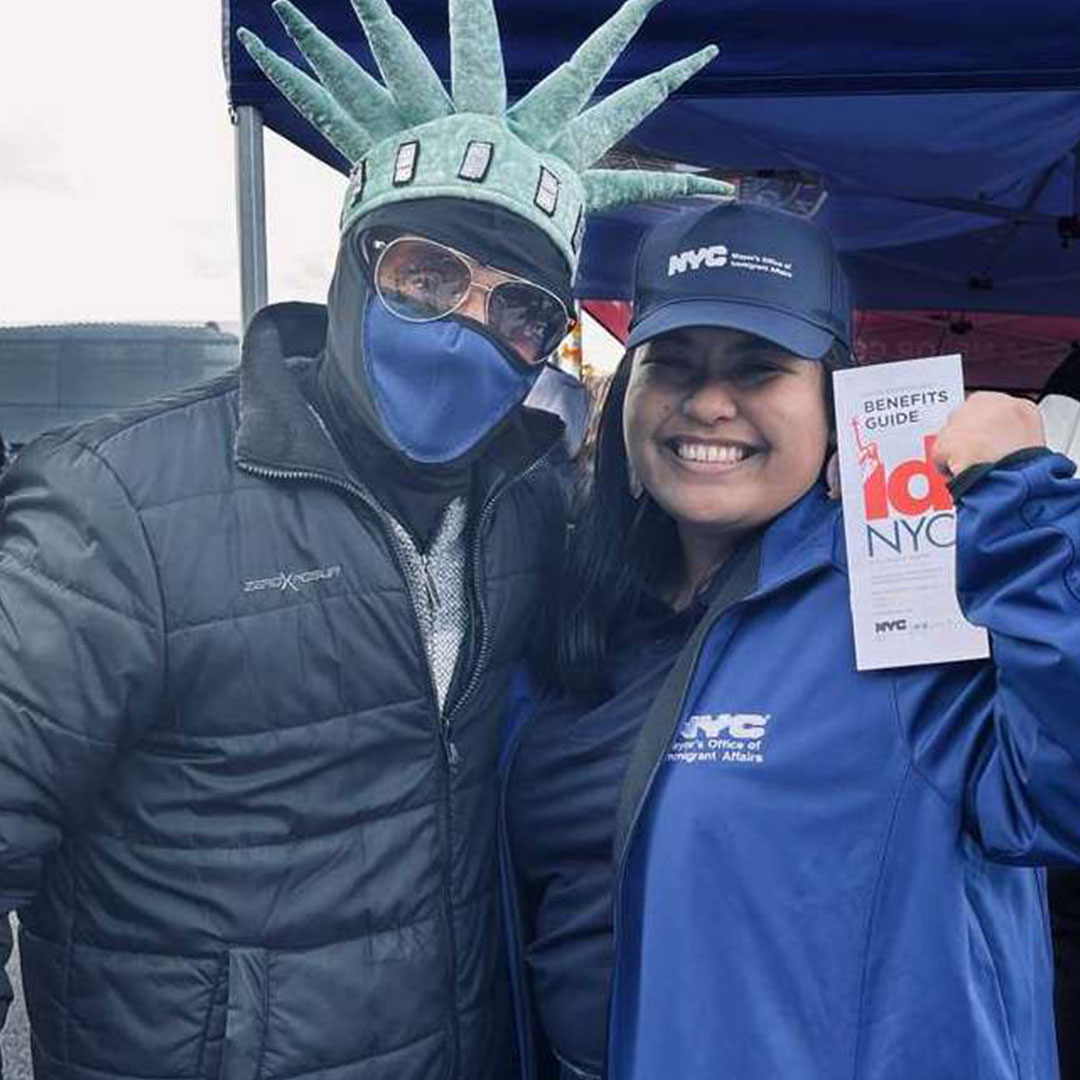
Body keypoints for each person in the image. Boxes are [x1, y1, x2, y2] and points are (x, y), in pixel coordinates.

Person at [0, 2, 732, 1078]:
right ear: (353, 266)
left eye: (520, 310)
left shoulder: (529, 509)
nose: (468, 327)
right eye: (427, 276)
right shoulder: (124, 503)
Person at [502, 201, 1080, 1080]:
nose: (708, 403)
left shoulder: (905, 592)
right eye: (673, 364)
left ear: (833, 398)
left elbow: (1064, 793)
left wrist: (1026, 510)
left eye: (760, 369)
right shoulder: (578, 600)